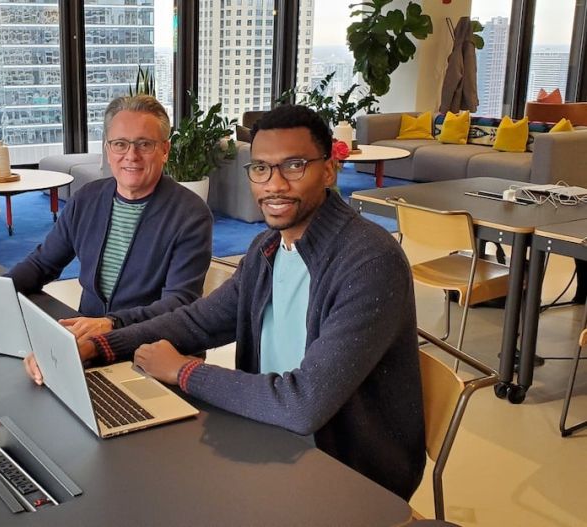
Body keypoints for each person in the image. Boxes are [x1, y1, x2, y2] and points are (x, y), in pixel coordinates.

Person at [25, 104, 425, 500]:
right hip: (263, 432)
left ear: (329, 169)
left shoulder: (369, 261)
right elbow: (197, 321)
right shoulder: (268, 248)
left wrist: (185, 371)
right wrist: (97, 346)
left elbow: (302, 404)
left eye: (294, 165)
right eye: (261, 168)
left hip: (346, 473)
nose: (275, 184)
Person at [7, 95, 213, 341]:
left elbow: (178, 303)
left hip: (151, 347)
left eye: (144, 144)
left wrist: (112, 324)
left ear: (165, 150)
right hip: (88, 342)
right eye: (120, 144)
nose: (131, 155)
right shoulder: (87, 199)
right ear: (108, 149)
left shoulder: (190, 215)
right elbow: (42, 264)